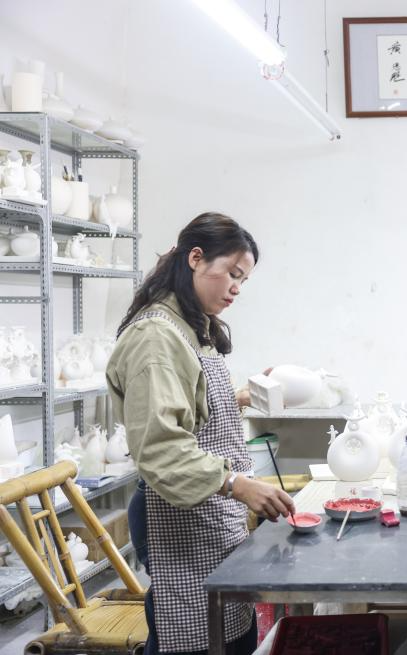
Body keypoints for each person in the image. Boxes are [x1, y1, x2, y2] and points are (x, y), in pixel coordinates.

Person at [106, 213, 295, 655]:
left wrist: (241, 396)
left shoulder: (189, 326)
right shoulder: (156, 336)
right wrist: (237, 484)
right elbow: (160, 446)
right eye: (232, 273)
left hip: (207, 510)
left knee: (226, 632)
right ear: (195, 258)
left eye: (243, 280)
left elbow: (189, 404)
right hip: (174, 513)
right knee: (189, 639)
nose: (236, 288)